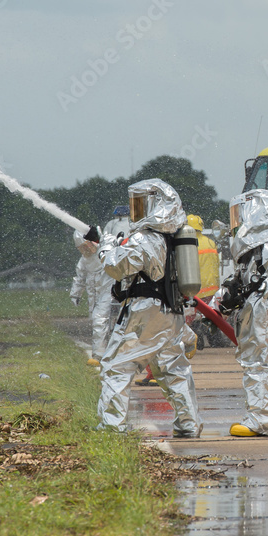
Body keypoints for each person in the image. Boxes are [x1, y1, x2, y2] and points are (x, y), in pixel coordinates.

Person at [94, 178, 202, 437]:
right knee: (173, 370)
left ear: (156, 205)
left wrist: (106, 247)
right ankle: (189, 424)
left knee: (117, 367)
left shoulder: (144, 238)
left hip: (145, 311)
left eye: (141, 204)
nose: (136, 211)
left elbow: (116, 267)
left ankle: (112, 426)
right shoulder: (173, 237)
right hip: (170, 312)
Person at [212, 189, 268, 437]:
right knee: (253, 364)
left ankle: (260, 421)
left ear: (255, 214)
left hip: (263, 308)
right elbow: (235, 283)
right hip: (254, 308)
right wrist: (216, 304)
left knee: (259, 365)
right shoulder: (250, 253)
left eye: (240, 216)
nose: (236, 223)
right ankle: (257, 417)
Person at [70, 229, 115, 367]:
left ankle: (99, 355)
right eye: (82, 248)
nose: (86, 250)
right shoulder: (85, 260)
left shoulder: (106, 249)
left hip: (109, 291)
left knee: (100, 321)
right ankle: (105, 354)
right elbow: (80, 277)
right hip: (95, 295)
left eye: (87, 246)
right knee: (99, 322)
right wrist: (75, 294)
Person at [186, 213, 221, 349]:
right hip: (212, 288)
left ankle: (195, 334)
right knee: (212, 316)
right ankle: (213, 337)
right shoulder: (211, 242)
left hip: (196, 289)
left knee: (190, 318)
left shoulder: (188, 244)